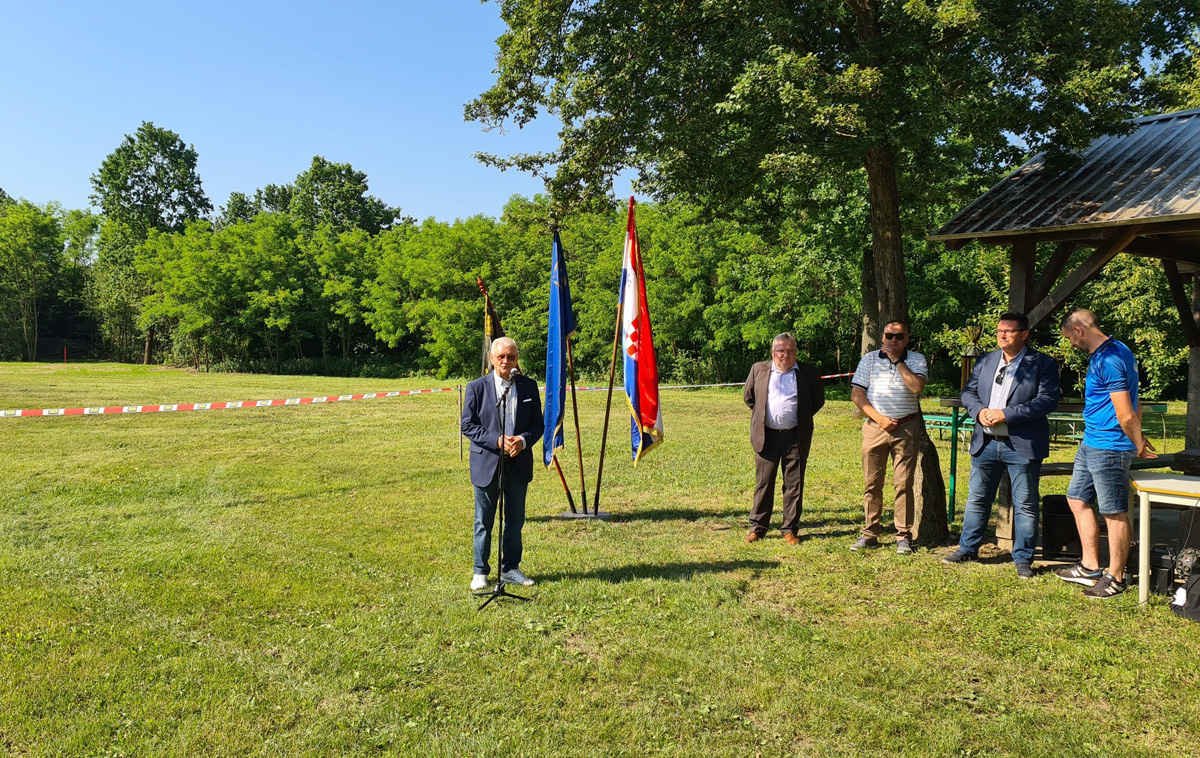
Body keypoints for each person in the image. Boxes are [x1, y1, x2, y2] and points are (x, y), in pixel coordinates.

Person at [942, 312, 1060, 578]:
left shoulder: (1042, 363)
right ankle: (967, 548)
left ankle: (1023, 559)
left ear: (1025, 334)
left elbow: (1047, 400)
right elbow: (968, 392)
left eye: (1008, 331)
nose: (1002, 335)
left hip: (1022, 444)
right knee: (977, 499)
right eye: (998, 331)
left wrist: (1007, 414)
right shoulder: (985, 361)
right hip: (985, 442)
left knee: (1026, 503)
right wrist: (979, 411)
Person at [1054, 308, 1156, 599]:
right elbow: (1134, 401)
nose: (1071, 345)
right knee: (1076, 498)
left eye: (1069, 338)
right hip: (1092, 441)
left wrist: (1135, 440)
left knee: (1113, 512)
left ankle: (1115, 577)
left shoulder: (1110, 359)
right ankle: (1089, 566)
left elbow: (1124, 412)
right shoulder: (1117, 350)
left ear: (1078, 330)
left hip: (1109, 446)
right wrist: (1139, 432)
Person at [460, 337, 545, 591]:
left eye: (511, 357)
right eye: (501, 357)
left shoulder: (529, 386)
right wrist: (496, 440)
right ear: (492, 358)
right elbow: (467, 425)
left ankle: (510, 569)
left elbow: (538, 425)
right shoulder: (476, 387)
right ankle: (480, 571)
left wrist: (522, 440)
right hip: (487, 462)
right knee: (483, 520)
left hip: (518, 463)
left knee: (515, 520)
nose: (506, 362)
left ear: (517, 358)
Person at [850, 320, 928, 554]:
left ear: (906, 339)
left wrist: (897, 361)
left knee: (903, 483)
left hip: (906, 428)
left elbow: (916, 388)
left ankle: (903, 536)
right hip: (875, 427)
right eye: (888, 336)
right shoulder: (869, 359)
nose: (893, 341)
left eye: (898, 337)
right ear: (882, 336)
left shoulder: (916, 360)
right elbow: (857, 394)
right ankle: (870, 533)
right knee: (872, 483)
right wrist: (880, 418)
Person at [742, 333, 826, 544]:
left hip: (795, 437)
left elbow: (817, 401)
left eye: (790, 351)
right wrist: (765, 417)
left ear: (796, 352)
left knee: (794, 484)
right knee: (764, 483)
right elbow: (749, 397)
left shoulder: (808, 373)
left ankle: (789, 529)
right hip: (766, 436)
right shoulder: (758, 369)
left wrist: (797, 418)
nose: (785, 355)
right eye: (781, 350)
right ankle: (758, 528)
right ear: (773, 352)